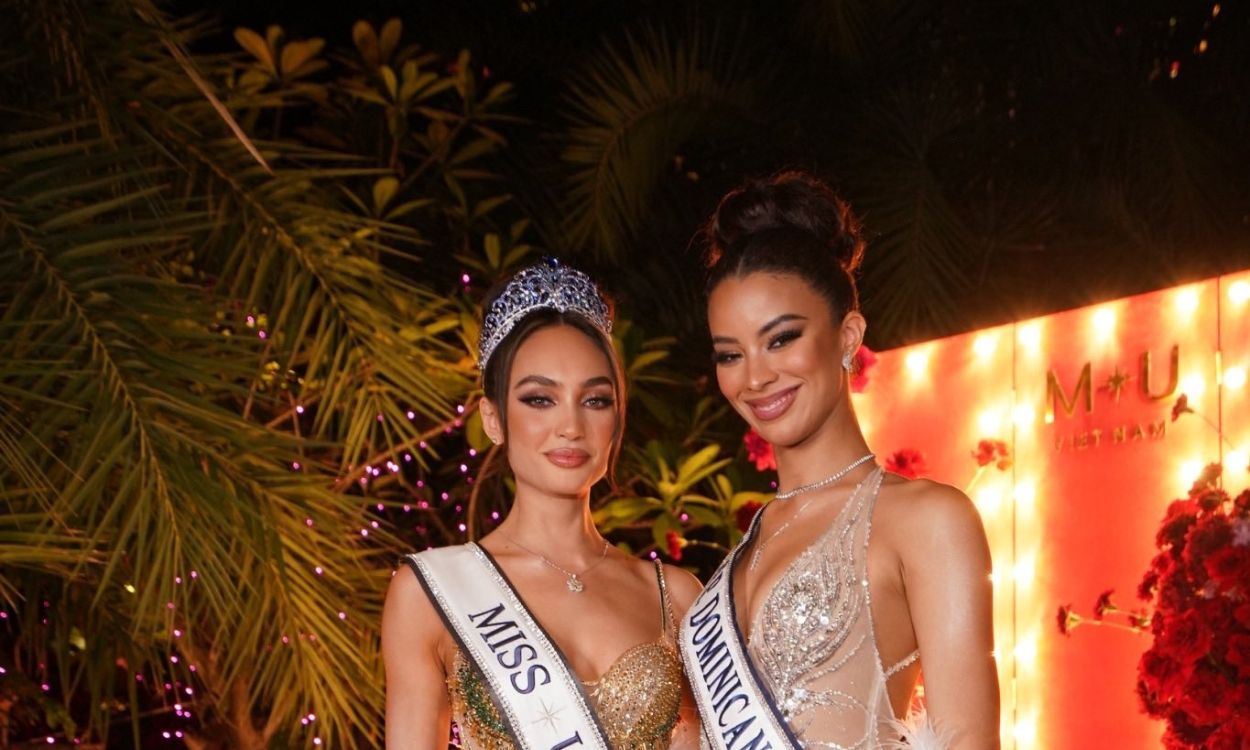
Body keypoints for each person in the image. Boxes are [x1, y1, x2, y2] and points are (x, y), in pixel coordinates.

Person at [679, 172, 999, 749]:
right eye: (730, 354)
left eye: (781, 339)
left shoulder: (924, 519)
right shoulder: (731, 566)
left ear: (848, 336)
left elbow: (967, 741)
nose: (755, 376)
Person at [383, 260, 703, 749]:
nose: (571, 426)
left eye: (595, 400)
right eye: (539, 399)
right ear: (493, 418)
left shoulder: (676, 596)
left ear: (618, 417)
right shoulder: (429, 593)